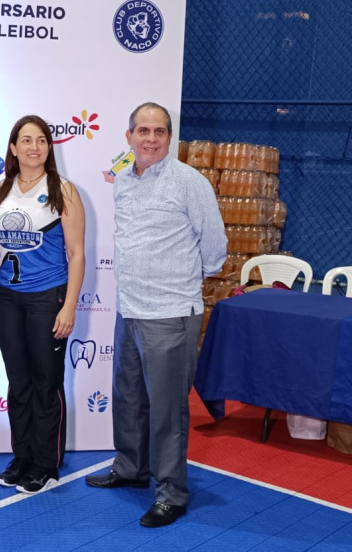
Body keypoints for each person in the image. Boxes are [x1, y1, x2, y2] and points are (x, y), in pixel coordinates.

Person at [85, 102, 227, 527]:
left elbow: (214, 248)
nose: (150, 138)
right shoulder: (124, 180)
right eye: (143, 130)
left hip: (170, 312)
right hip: (129, 308)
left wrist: (179, 282)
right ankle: (130, 469)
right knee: (128, 397)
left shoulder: (190, 182)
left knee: (167, 410)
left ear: (170, 137)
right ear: (129, 136)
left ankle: (172, 493)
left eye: (159, 131)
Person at [0, 115, 85, 494]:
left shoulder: (63, 191)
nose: (33, 147)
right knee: (18, 381)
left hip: (46, 298)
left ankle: (45, 463)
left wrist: (69, 306)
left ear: (48, 148)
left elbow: (77, 253)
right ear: (13, 147)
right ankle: (21, 457)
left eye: (41, 140)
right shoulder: (1, 192)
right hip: (6, 298)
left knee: (45, 382)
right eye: (26, 140)